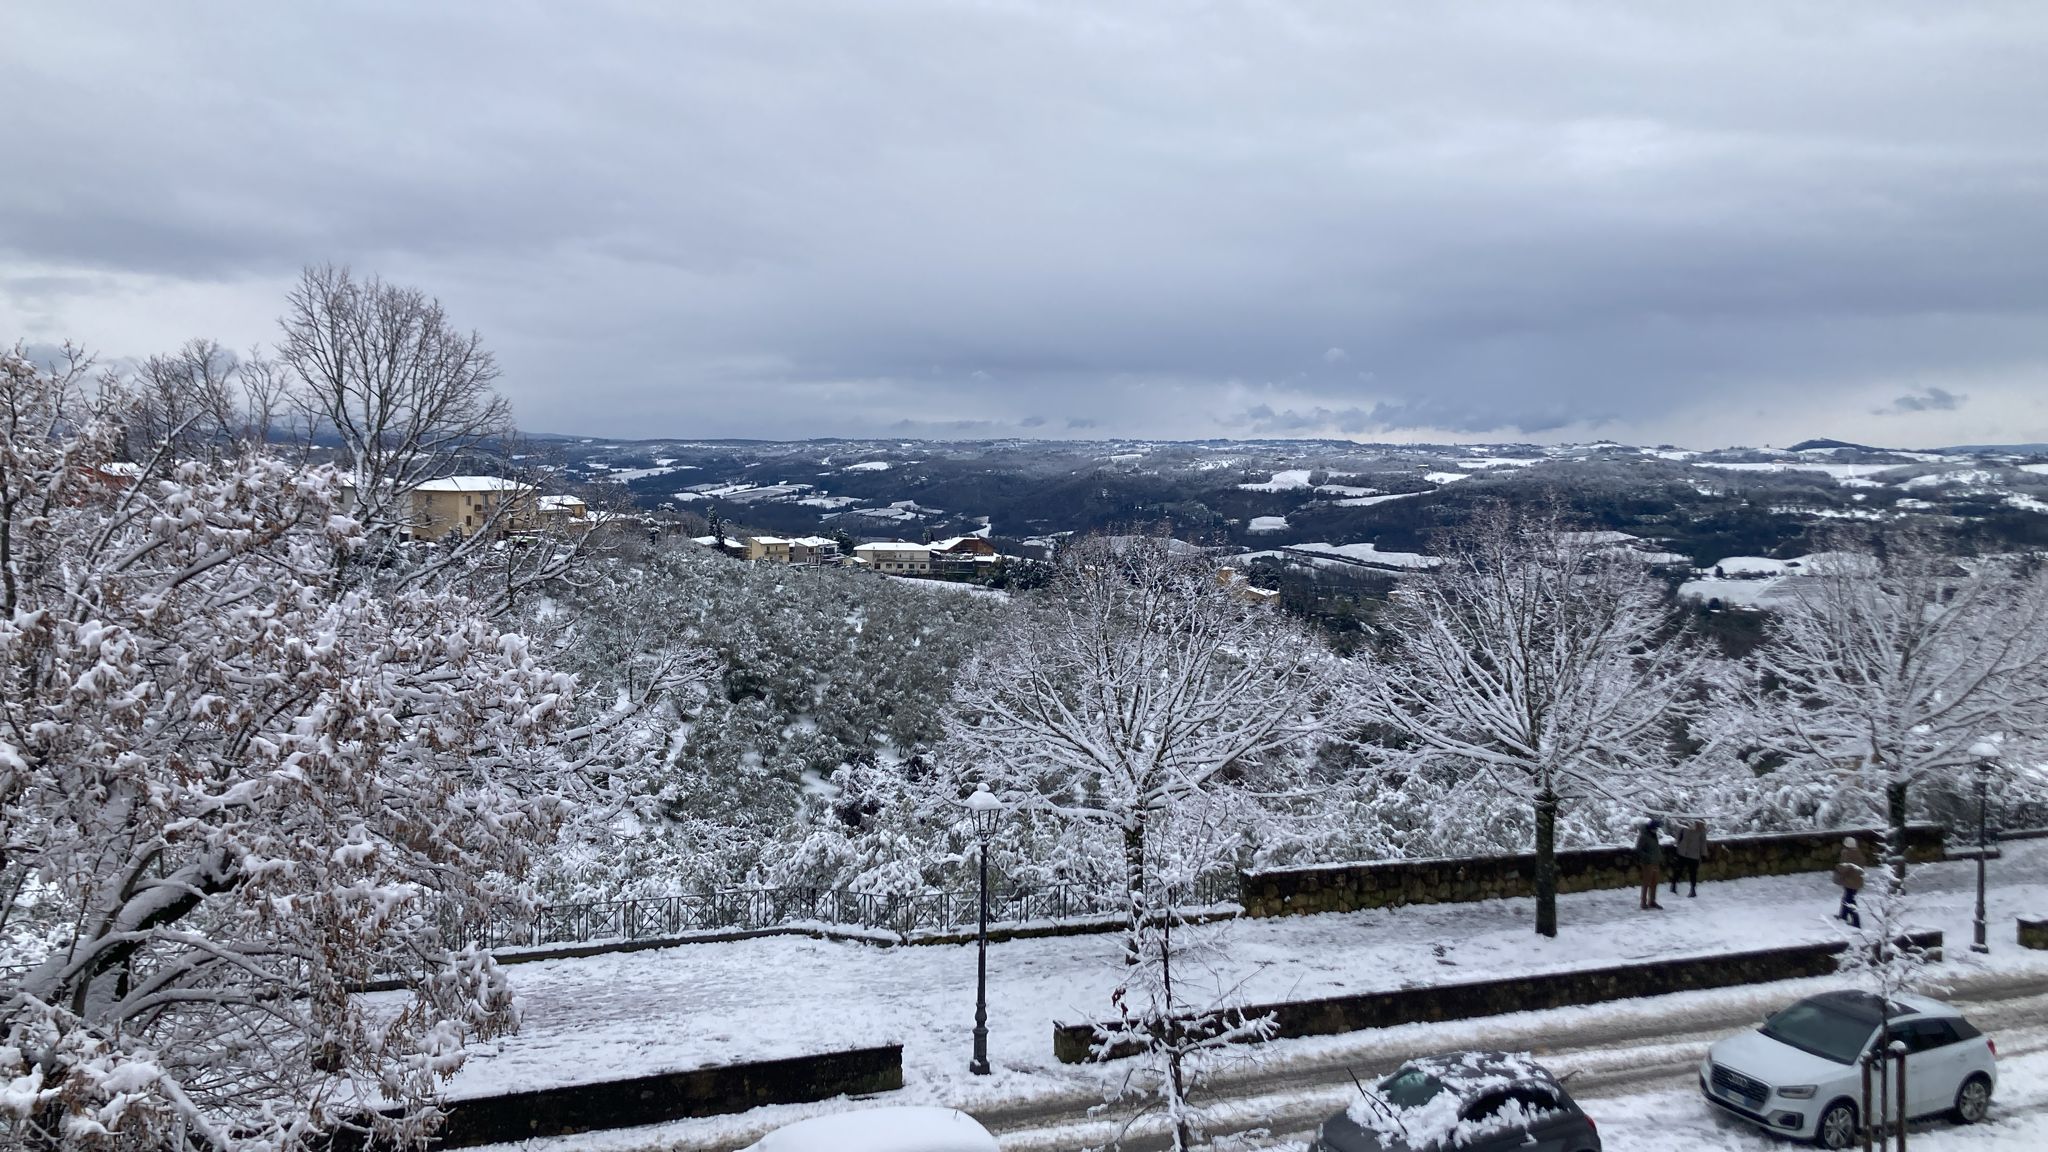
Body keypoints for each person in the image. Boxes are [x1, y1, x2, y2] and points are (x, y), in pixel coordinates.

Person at [1671, 818, 1708, 898]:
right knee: (1678, 870)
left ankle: (1693, 890)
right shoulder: (1683, 825)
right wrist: (1676, 847)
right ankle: (1673, 885)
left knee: (1693, 873)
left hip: (1693, 854)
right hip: (1682, 852)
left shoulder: (1701, 828)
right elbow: (1678, 837)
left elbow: (1703, 842)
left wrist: (1703, 854)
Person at [1835, 836, 1867, 927]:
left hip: (1850, 881)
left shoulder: (1847, 854)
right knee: (1847, 898)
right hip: (1857, 881)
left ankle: (1856, 922)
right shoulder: (1859, 853)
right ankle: (1843, 916)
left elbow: (1844, 868)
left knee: (1849, 901)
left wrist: (1838, 869)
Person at [1636, 817, 1665, 910]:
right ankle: (1643, 902)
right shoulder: (1643, 836)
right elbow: (1639, 850)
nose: (1656, 830)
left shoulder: (1654, 835)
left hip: (1655, 862)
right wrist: (1648, 857)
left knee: (1654, 883)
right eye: (1655, 828)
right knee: (1646, 883)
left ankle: (1652, 901)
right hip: (1647, 863)